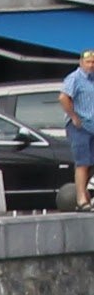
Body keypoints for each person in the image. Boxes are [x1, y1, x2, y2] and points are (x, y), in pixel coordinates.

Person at [65, 49, 94, 210]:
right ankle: (81, 199)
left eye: (93, 62)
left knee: (91, 163)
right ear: (81, 62)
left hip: (93, 126)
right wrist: (73, 116)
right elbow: (63, 97)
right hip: (80, 127)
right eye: (88, 62)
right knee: (82, 162)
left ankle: (87, 196)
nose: (91, 65)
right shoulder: (74, 78)